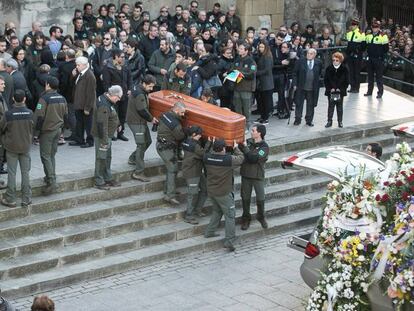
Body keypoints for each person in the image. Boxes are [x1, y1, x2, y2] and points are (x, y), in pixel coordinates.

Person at [203, 138, 244, 252]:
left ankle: (209, 232)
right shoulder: (227, 160)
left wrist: (209, 142)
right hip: (224, 193)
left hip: (212, 191)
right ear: (223, 149)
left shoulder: (207, 158)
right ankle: (229, 240)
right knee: (230, 215)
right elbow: (241, 158)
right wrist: (236, 148)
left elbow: (205, 151)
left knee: (217, 211)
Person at [33, 76, 68, 195]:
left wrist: (36, 133)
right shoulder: (62, 98)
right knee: (52, 155)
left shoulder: (44, 98)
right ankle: (51, 176)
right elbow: (66, 115)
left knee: (45, 156)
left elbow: (38, 116)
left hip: (47, 131)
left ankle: (51, 181)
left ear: (47, 85)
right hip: (58, 130)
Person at [0, 89, 33, 207]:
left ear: (13, 98)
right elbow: (31, 129)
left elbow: (1, 127)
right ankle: (26, 198)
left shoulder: (8, 114)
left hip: (11, 147)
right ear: (24, 99)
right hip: (25, 147)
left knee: (11, 173)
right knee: (25, 173)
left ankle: (10, 198)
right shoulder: (30, 113)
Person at [127, 74, 158, 182]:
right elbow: (142, 110)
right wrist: (152, 119)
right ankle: (138, 172)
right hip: (137, 122)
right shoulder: (140, 94)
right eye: (150, 87)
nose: (151, 89)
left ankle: (132, 158)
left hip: (139, 121)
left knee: (148, 141)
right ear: (144, 84)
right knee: (141, 145)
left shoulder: (138, 88)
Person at [91, 85, 122, 190]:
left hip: (107, 135)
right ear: (113, 95)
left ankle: (107, 178)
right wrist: (104, 140)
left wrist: (117, 124)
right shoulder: (104, 104)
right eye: (118, 98)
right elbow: (101, 124)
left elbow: (111, 115)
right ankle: (99, 181)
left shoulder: (107, 100)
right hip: (103, 136)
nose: (118, 100)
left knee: (107, 157)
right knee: (101, 157)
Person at [239, 124, 269, 230]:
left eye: (253, 130)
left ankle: (261, 216)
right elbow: (240, 153)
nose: (251, 132)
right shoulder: (247, 142)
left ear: (259, 133)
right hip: (246, 174)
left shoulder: (264, 147)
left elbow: (253, 158)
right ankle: (246, 218)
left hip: (257, 176)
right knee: (245, 198)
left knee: (261, 198)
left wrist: (246, 150)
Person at [156, 102, 186, 205]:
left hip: (162, 144)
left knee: (172, 168)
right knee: (172, 169)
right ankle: (170, 195)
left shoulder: (165, 114)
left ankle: (169, 189)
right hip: (166, 147)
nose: (183, 115)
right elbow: (180, 137)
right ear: (176, 110)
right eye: (182, 113)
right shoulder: (175, 124)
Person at [102, 49, 132, 141]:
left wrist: (129, 89)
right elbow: (106, 83)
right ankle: (112, 133)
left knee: (122, 114)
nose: (124, 59)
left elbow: (129, 78)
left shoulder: (125, 66)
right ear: (116, 56)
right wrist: (109, 94)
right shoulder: (108, 67)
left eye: (124, 57)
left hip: (124, 94)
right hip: (113, 95)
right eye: (121, 57)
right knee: (113, 115)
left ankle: (120, 132)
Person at [182, 125, 209, 224]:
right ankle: (189, 215)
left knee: (205, 189)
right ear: (193, 134)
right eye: (199, 135)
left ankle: (198, 210)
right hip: (192, 172)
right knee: (192, 194)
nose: (200, 137)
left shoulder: (187, 141)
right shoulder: (194, 145)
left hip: (196, 170)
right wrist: (209, 142)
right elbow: (204, 154)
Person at [70, 56, 96, 148]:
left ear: (85, 65)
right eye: (76, 65)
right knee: (79, 123)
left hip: (85, 105)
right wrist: (73, 76)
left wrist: (88, 107)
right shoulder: (80, 73)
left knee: (88, 124)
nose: (77, 67)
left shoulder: (89, 76)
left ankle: (90, 141)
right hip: (79, 104)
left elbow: (91, 93)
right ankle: (79, 139)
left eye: (78, 65)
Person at [292, 48, 322, 126]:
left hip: (312, 88)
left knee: (311, 105)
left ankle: (309, 120)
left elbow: (320, 73)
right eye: (308, 53)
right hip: (301, 87)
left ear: (315, 55)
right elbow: (295, 73)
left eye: (311, 53)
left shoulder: (318, 62)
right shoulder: (300, 61)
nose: (309, 55)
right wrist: (295, 84)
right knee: (299, 103)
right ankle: (297, 119)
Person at [231, 42, 256, 130]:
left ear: (246, 51)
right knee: (237, 107)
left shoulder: (251, 61)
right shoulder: (237, 60)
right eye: (239, 48)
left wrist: (241, 73)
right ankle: (239, 124)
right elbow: (232, 69)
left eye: (241, 49)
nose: (239, 50)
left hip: (246, 88)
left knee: (246, 108)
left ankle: (246, 125)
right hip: (237, 87)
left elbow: (251, 74)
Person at [324, 52, 349, 128]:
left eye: (337, 60)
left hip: (340, 92)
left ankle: (340, 121)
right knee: (330, 107)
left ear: (340, 61)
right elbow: (326, 80)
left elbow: (346, 81)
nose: (335, 61)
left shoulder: (344, 69)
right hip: (331, 91)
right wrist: (330, 88)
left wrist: (340, 89)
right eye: (333, 60)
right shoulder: (329, 68)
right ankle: (329, 121)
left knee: (339, 107)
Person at [365, 21, 389, 99]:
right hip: (370, 59)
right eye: (373, 27)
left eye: (376, 27)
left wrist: (380, 54)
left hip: (378, 59)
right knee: (370, 76)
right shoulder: (369, 36)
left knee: (379, 77)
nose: (374, 29)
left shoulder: (383, 36)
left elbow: (386, 49)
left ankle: (380, 92)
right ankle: (369, 91)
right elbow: (366, 46)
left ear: (379, 28)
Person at [254, 40, 274, 125]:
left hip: (267, 83)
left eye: (262, 47)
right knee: (261, 101)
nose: (260, 48)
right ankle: (262, 116)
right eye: (259, 47)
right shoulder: (261, 56)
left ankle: (265, 118)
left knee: (266, 101)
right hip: (261, 83)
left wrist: (256, 73)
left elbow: (267, 70)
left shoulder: (267, 57)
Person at [345, 18, 365, 93]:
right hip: (350, 55)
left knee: (356, 72)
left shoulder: (361, 33)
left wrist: (358, 50)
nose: (352, 26)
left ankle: (356, 87)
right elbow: (348, 44)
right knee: (351, 71)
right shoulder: (349, 33)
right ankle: (352, 86)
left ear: (357, 26)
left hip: (357, 55)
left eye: (354, 25)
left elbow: (363, 45)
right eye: (352, 25)